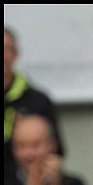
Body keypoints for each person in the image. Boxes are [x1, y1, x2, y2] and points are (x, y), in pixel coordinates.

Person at [4, 27, 65, 175]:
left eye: (5, 49)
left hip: (26, 181)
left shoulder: (37, 101)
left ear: (15, 54)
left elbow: (57, 151)